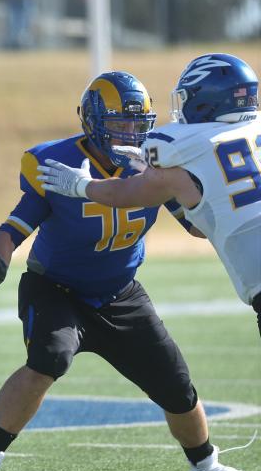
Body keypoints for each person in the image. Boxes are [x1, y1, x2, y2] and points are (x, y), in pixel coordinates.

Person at [0, 71, 255, 471]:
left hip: (120, 291)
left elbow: (193, 224)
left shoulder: (155, 162)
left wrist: (220, 209)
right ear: (93, 120)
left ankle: (205, 467)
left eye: (139, 123)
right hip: (56, 289)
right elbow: (15, 225)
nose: (132, 132)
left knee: (176, 385)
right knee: (47, 360)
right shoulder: (56, 163)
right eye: (120, 123)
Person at [38, 53, 261, 338]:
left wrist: (82, 186)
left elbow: (130, 192)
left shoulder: (181, 144)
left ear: (205, 100)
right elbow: (202, 225)